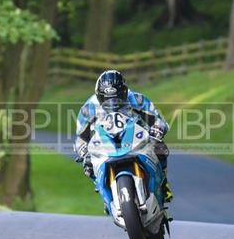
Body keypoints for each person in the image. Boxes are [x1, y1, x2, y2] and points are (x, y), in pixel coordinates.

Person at [73, 69, 173, 204]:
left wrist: (157, 129)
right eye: (107, 99)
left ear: (125, 92)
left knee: (160, 148)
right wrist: (83, 151)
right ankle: (104, 193)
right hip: (105, 140)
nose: (113, 104)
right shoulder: (89, 108)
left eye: (118, 98)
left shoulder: (136, 99)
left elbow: (157, 119)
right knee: (88, 165)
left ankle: (164, 184)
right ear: (98, 96)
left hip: (135, 135)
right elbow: (80, 138)